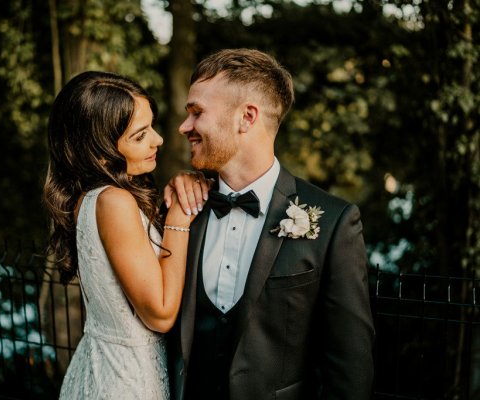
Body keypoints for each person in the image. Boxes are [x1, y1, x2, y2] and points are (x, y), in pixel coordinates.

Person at [163, 49, 375, 399]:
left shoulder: (334, 222)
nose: (184, 127)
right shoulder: (182, 209)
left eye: (197, 112)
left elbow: (349, 368)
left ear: (246, 117)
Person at [43, 71, 199, 399]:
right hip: (126, 381)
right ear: (100, 152)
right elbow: (160, 313)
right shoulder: (115, 201)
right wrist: (180, 217)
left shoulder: (89, 197)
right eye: (140, 135)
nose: (158, 139)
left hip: (97, 367)